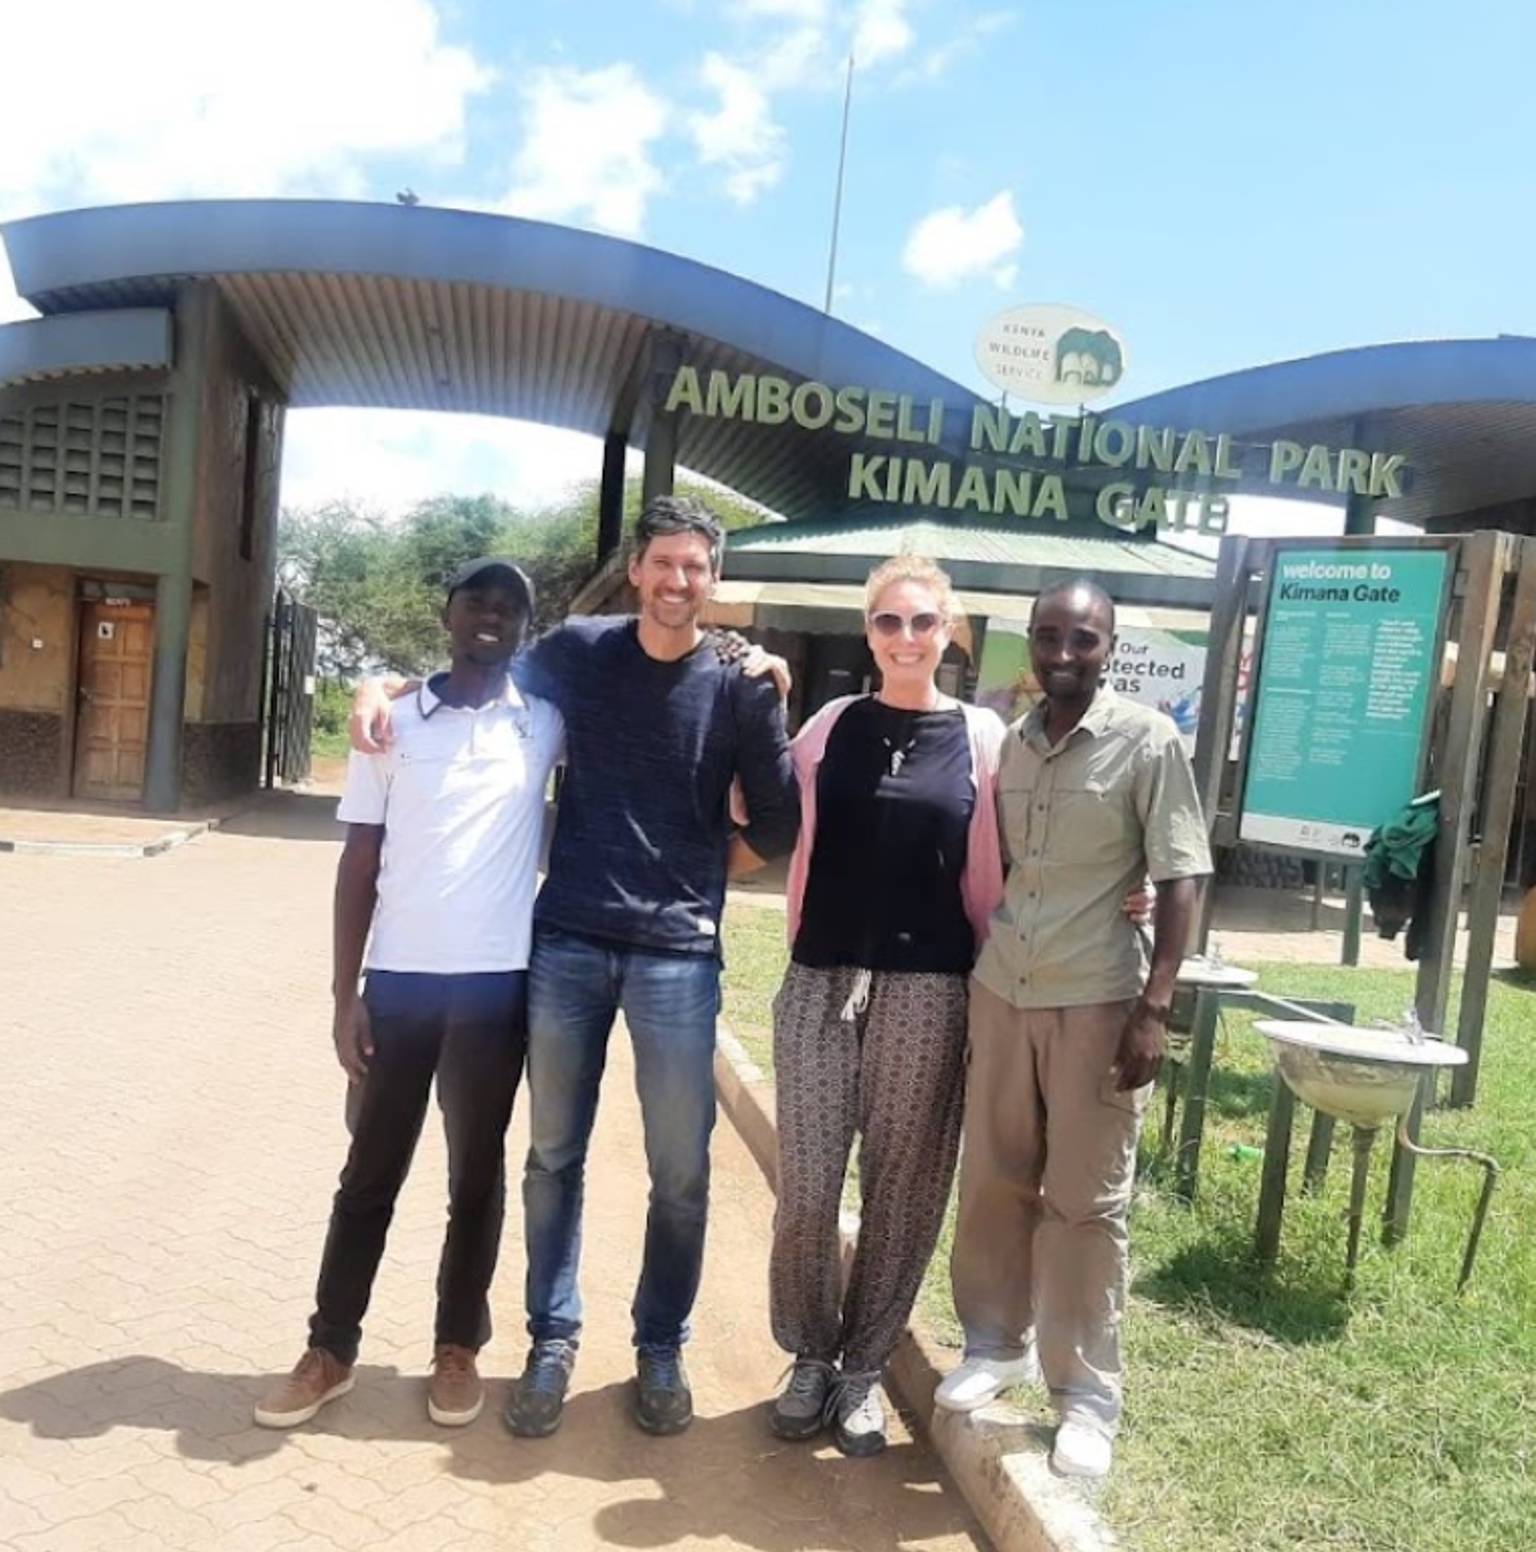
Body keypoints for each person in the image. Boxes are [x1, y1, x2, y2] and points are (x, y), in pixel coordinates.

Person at [351, 496, 798, 1439]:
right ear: (637, 570)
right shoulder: (580, 652)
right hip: (568, 945)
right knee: (553, 1156)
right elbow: (475, 666)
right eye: (663, 562)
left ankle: (660, 1348)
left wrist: (696, 871)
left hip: (678, 956)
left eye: (695, 566)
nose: (678, 580)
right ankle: (550, 1341)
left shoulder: (741, 686)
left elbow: (779, 824)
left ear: (714, 580)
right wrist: (379, 685)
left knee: (680, 1169)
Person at [255, 558, 564, 1431]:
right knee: (369, 1174)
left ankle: (457, 1346)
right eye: (476, 602)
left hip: (496, 990)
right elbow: (358, 862)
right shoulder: (390, 726)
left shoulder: (543, 723)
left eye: (509, 607)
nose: (491, 616)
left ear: (525, 628)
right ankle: (330, 1350)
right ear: (448, 615)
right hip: (398, 986)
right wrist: (342, 994)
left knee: (477, 1178)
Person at [935, 578, 1213, 1481]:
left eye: (1083, 639)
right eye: (1049, 636)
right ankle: (994, 1343)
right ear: (1030, 640)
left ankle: (1086, 1397)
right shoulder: (1010, 745)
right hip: (1004, 992)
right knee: (995, 1178)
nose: (1063, 653)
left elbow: (1181, 875)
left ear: (1110, 646)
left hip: (1098, 1001)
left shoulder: (1148, 739)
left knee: (1086, 1204)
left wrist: (1155, 1006)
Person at [765, 556, 1006, 1457]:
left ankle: (863, 1369)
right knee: (807, 1187)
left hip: (930, 989)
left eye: (923, 622)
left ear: (949, 632)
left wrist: (1131, 892)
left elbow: (1036, 844)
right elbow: (755, 795)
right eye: (888, 622)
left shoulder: (984, 740)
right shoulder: (829, 727)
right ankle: (809, 1355)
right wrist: (761, 687)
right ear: (869, 634)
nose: (906, 638)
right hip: (820, 978)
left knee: (902, 1192)